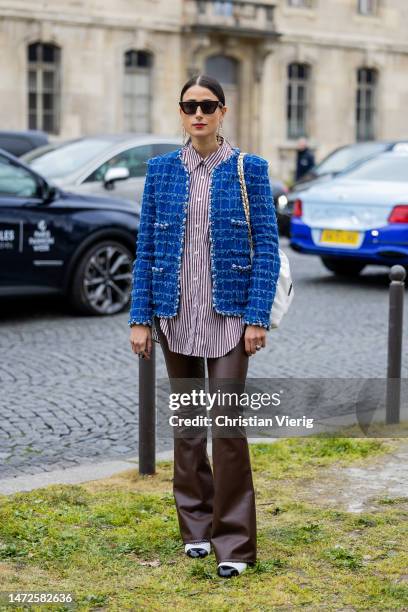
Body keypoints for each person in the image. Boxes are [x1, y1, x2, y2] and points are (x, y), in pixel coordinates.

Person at [128, 74, 281, 578]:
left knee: (228, 430)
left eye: (208, 105)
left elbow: (267, 249)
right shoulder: (161, 171)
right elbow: (147, 246)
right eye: (190, 105)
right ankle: (195, 528)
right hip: (175, 318)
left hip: (231, 318)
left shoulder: (248, 170)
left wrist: (257, 317)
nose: (199, 113)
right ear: (180, 112)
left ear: (223, 111)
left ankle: (234, 544)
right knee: (190, 429)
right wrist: (140, 318)